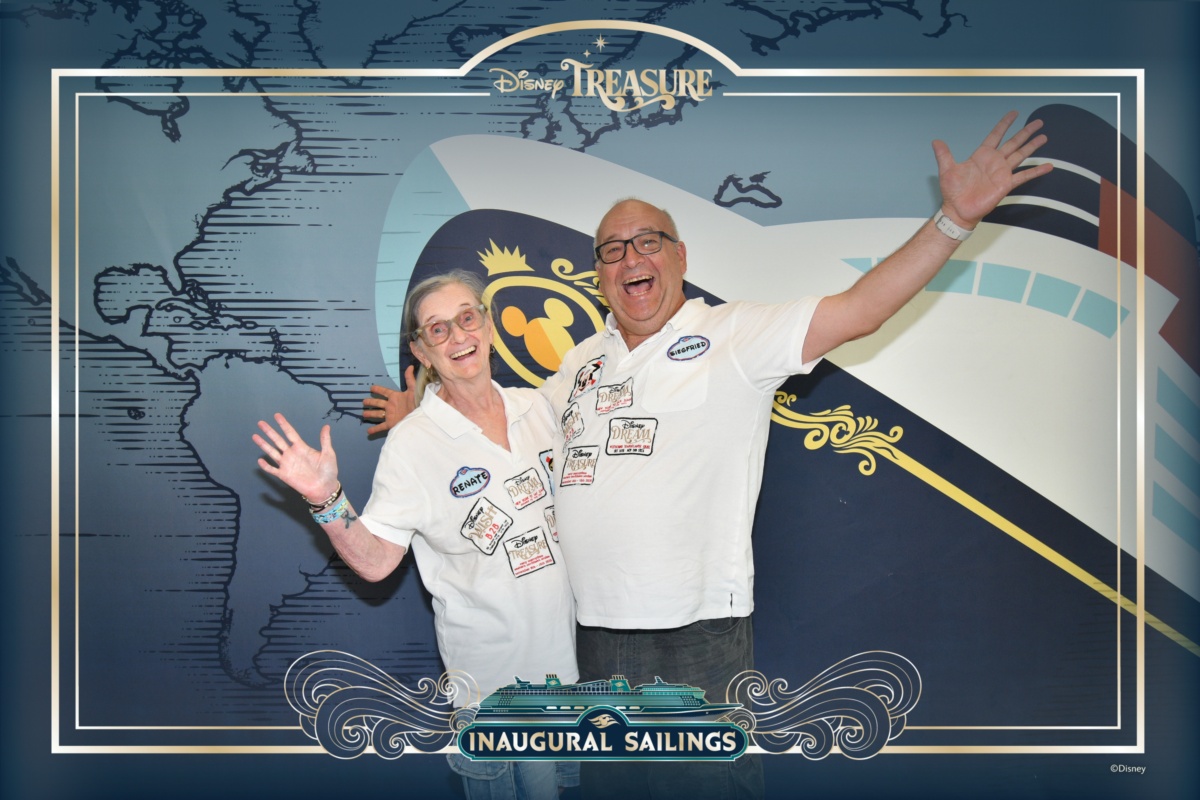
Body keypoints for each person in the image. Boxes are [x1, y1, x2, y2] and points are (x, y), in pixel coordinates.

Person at [363, 112, 1052, 799]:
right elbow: (502, 427)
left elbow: (860, 309)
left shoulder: (734, 336)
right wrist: (425, 417)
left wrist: (953, 221)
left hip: (694, 639)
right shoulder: (580, 363)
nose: (632, 258)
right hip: (591, 639)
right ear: (599, 275)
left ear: (681, 257)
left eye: (648, 242)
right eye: (613, 249)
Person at [254, 270, 578, 800]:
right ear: (422, 351)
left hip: (567, 681)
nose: (459, 336)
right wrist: (326, 499)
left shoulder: (536, 408)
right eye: (438, 329)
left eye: (467, 318)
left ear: (489, 326)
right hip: (494, 698)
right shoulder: (411, 445)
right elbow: (376, 562)